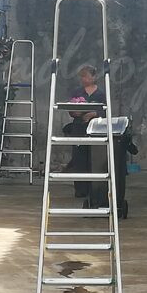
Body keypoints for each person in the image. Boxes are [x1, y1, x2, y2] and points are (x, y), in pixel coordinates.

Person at [64, 64, 106, 197]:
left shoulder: (101, 94)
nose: (83, 79)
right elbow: (70, 108)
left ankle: (95, 189)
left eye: (86, 76)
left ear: (94, 77)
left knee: (94, 159)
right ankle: (80, 189)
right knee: (79, 159)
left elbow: (105, 111)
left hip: (95, 129)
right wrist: (75, 112)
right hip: (79, 128)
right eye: (82, 77)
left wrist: (94, 114)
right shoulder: (77, 92)